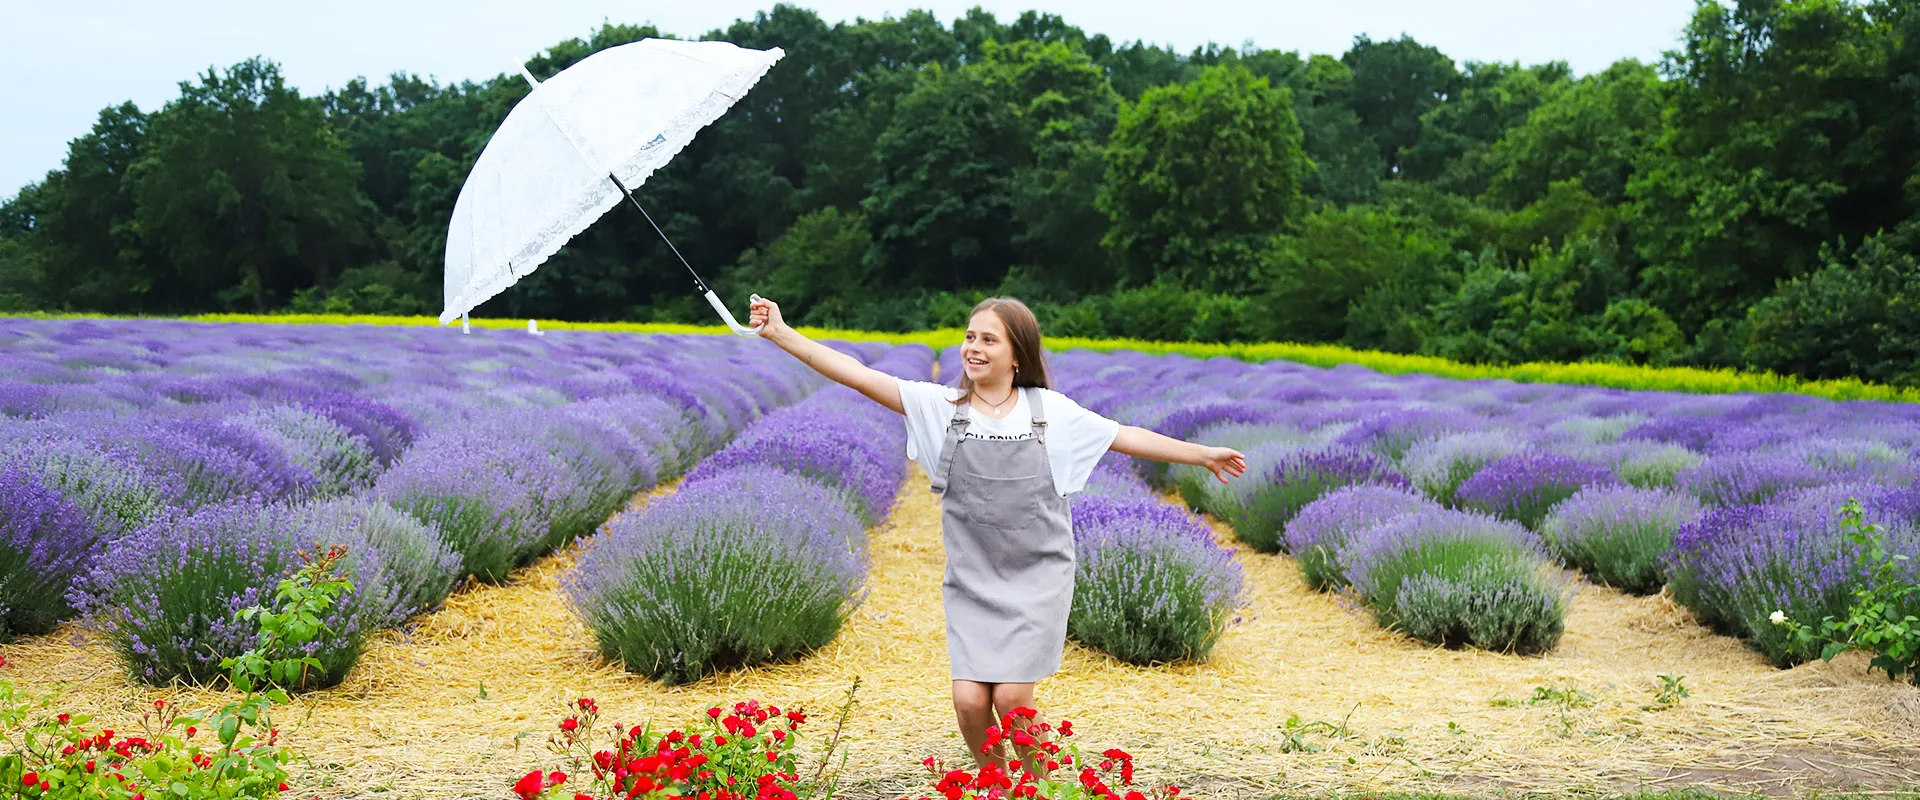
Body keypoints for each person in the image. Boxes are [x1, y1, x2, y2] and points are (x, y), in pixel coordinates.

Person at [748, 295, 1247, 769]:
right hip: (974, 576)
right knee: (968, 701)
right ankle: (997, 782)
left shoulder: (1049, 411)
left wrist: (1201, 454)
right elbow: (856, 375)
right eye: (970, 337)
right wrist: (781, 333)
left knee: (1011, 699)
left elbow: (1124, 436)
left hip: (1037, 575)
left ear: (1016, 355)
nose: (973, 348)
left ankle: (1039, 784)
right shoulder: (939, 407)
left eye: (989, 339)